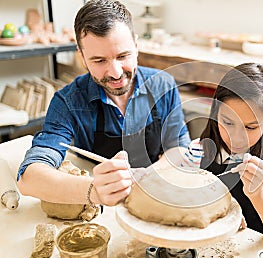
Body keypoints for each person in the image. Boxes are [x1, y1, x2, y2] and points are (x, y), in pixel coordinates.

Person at [17, 0, 190, 207]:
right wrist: (93, 191)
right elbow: (28, 178)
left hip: (154, 193)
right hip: (96, 206)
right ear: (82, 57)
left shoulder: (163, 86)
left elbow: (178, 148)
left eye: (123, 56)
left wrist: (145, 176)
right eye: (99, 61)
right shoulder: (68, 102)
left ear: (136, 45)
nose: (116, 73)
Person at [182, 63, 263, 243]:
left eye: (250, 127)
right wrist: (222, 219)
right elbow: (183, 206)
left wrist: (257, 193)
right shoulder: (199, 150)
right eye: (228, 123)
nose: (237, 138)